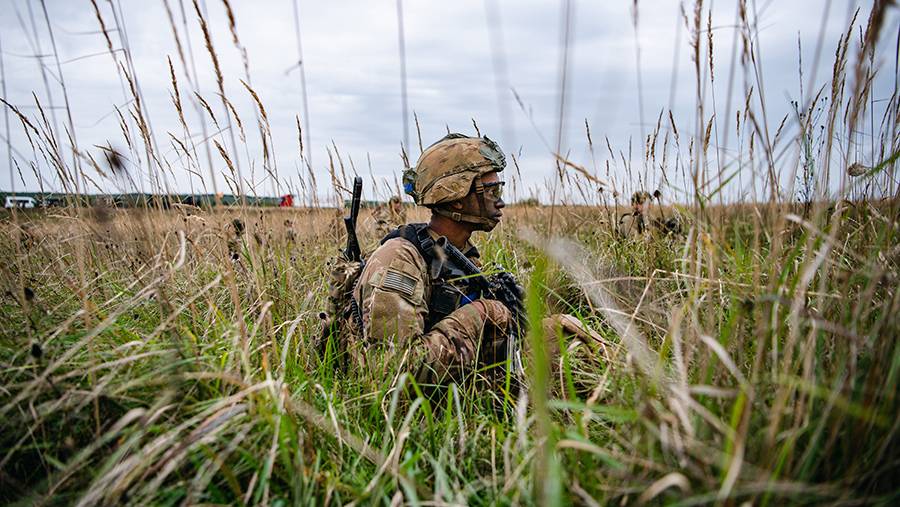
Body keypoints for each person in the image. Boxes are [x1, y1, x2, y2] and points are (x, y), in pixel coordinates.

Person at [349, 133, 603, 395]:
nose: (500, 201)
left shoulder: (461, 255)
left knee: (565, 330)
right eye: (491, 191)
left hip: (462, 385)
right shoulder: (400, 259)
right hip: (424, 407)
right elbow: (393, 371)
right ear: (457, 197)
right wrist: (482, 313)